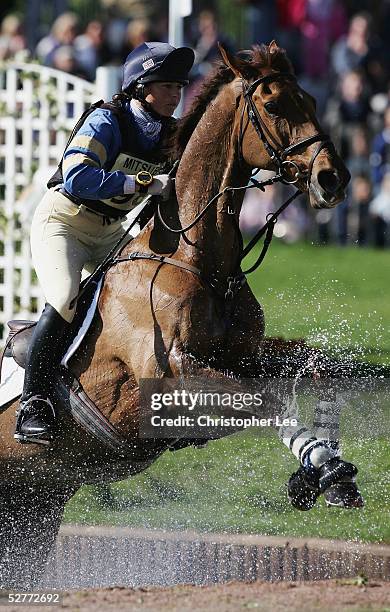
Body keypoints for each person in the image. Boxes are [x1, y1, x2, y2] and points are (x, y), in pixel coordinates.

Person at [14, 41, 195, 445]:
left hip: (110, 230)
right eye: (166, 85)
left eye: (179, 86)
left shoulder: (170, 133)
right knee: (64, 297)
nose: (175, 94)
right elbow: (77, 176)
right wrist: (145, 182)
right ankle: (33, 403)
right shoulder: (106, 121)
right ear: (141, 86)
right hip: (63, 223)